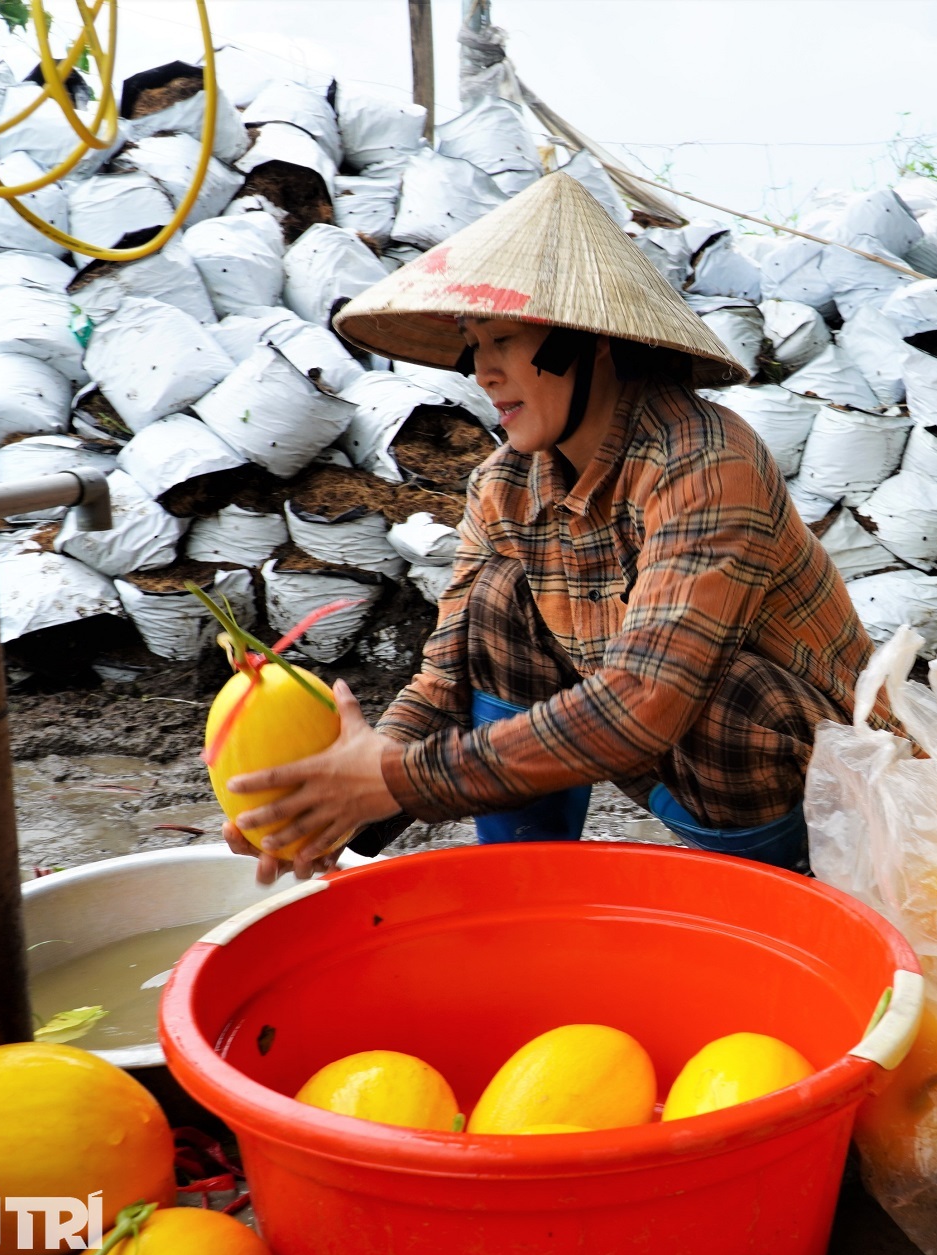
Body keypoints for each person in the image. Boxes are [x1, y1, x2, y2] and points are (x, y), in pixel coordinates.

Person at [218, 172, 875, 881]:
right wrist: (342, 797)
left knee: (731, 696)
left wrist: (400, 779)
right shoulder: (504, 486)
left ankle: (787, 896)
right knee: (497, 607)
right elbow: (446, 683)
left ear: (588, 344)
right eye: (474, 344)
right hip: (666, 767)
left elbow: (645, 703)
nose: (485, 373)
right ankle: (523, 887)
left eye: (503, 338)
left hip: (839, 804)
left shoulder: (706, 461)